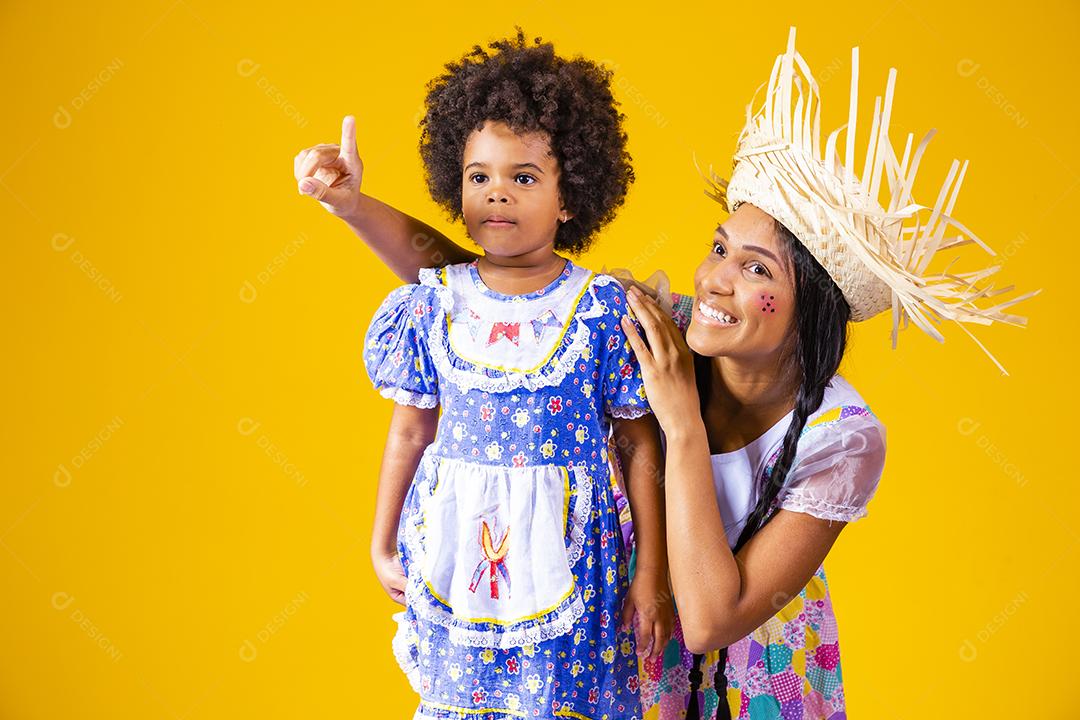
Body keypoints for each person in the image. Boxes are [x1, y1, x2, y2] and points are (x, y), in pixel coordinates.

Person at [296, 28, 1035, 719]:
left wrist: (680, 423)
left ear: (808, 308)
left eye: (754, 269)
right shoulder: (666, 328)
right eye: (719, 249)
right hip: (626, 660)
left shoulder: (841, 439)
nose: (715, 281)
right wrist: (353, 207)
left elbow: (713, 618)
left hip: (751, 690)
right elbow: (489, 291)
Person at [334, 31, 672, 719]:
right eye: (479, 175)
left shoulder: (602, 310)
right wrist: (378, 539)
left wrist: (650, 576)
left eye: (524, 177)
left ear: (570, 194)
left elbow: (640, 447)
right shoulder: (433, 302)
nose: (497, 195)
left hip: (574, 553)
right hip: (460, 548)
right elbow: (409, 432)